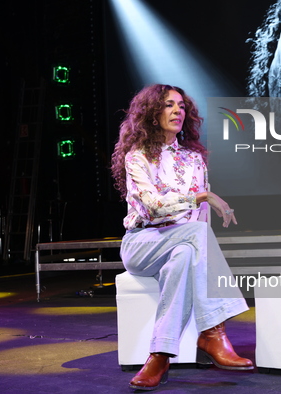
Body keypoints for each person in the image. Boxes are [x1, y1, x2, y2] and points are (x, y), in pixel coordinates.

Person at [111, 84, 253, 391]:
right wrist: (200, 195)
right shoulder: (138, 157)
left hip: (183, 241)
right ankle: (213, 332)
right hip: (142, 244)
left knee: (187, 255)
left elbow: (197, 219)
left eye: (181, 106)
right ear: (151, 113)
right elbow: (150, 208)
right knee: (195, 235)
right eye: (168, 105)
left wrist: (198, 208)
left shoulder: (194, 159)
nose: (178, 111)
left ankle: (160, 355)